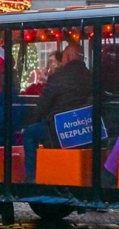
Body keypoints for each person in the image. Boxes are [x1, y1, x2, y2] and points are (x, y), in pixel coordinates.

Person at [23, 42, 92, 183]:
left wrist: (30, 122)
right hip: (86, 131)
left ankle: (31, 177)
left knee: (29, 133)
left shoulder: (57, 78)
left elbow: (42, 106)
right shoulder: (92, 77)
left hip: (58, 132)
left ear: (66, 57)